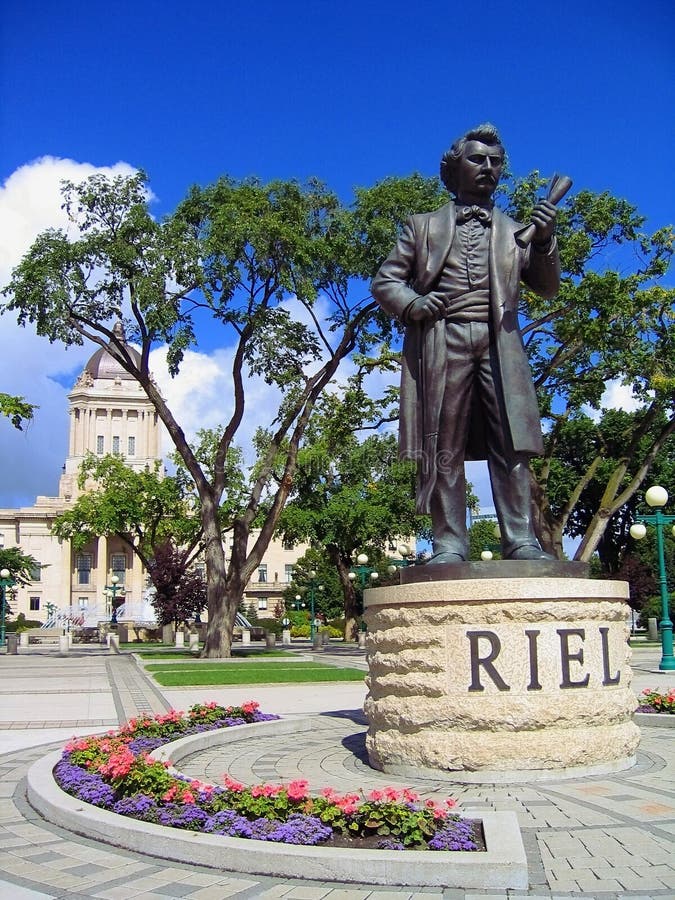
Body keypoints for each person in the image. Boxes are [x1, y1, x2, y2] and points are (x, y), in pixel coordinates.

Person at [371, 124, 559, 562]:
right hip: (443, 338)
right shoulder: (421, 228)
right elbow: (386, 281)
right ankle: (450, 542)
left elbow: (546, 288)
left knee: (512, 443)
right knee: (444, 445)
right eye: (478, 159)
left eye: (495, 162)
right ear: (454, 169)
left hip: (500, 344)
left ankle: (521, 539)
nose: (489, 168)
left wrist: (546, 240)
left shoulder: (517, 231)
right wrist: (415, 305)